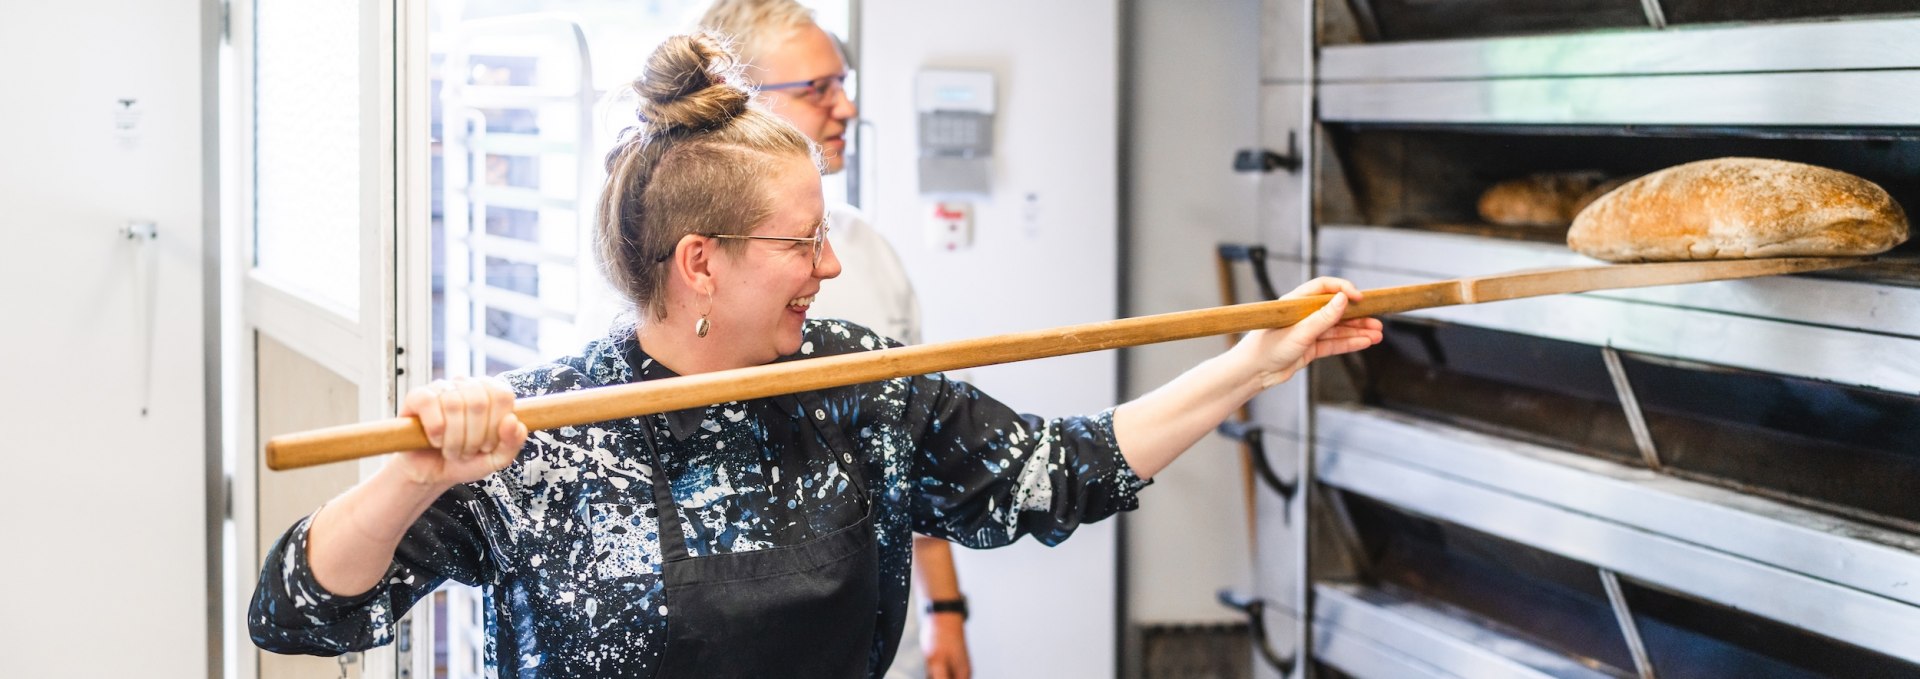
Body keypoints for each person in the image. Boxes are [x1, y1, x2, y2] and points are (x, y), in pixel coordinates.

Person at [248, 32, 1382, 679]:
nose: (830, 266)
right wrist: (419, 470)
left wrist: (1254, 359)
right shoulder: (547, 432)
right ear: (702, 263)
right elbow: (300, 610)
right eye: (805, 240)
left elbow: (1063, 470)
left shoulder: (858, 386)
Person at [695, 2, 960, 677]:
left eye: (844, 85)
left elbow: (914, 442)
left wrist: (946, 608)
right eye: (818, 88)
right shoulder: (678, 278)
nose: (844, 108)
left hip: (875, 637)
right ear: (739, 100)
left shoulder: (866, 249)